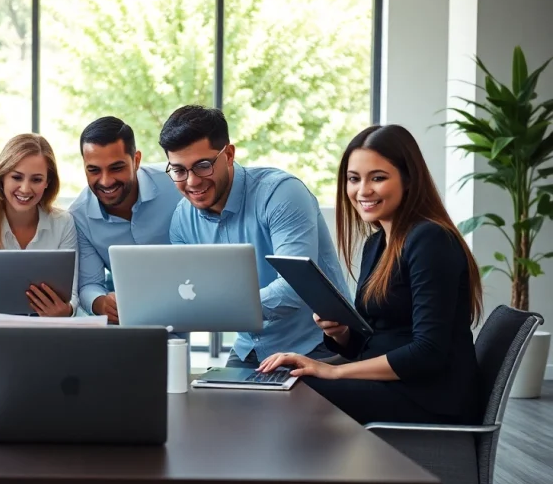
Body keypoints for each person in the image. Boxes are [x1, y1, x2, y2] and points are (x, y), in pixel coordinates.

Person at [258, 124, 483, 425]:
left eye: (377, 178)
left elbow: (428, 352)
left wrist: (333, 371)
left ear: (408, 179)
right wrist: (338, 332)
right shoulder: (376, 243)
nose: (362, 191)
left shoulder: (430, 240)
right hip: (393, 384)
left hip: (429, 396)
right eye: (354, 179)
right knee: (284, 382)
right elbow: (374, 339)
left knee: (295, 392)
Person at [159, 105, 346, 368]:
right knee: (210, 405)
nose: (192, 182)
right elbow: (191, 291)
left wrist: (222, 309)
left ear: (230, 154)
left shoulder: (281, 194)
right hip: (252, 348)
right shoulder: (182, 218)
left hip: (321, 344)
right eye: (179, 170)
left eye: (203, 166)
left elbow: (294, 288)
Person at [68, 117, 181, 323]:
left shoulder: (175, 183)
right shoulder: (78, 216)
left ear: (136, 160)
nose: (105, 181)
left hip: (185, 302)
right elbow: (89, 284)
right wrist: (99, 303)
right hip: (131, 319)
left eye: (116, 168)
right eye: (93, 170)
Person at [0, 133, 79, 317]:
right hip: (2, 331)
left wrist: (66, 311)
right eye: (17, 177)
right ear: (2, 178)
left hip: (52, 329)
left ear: (47, 183)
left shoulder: (63, 222)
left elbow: (72, 295)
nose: (25, 189)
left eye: (36, 179)